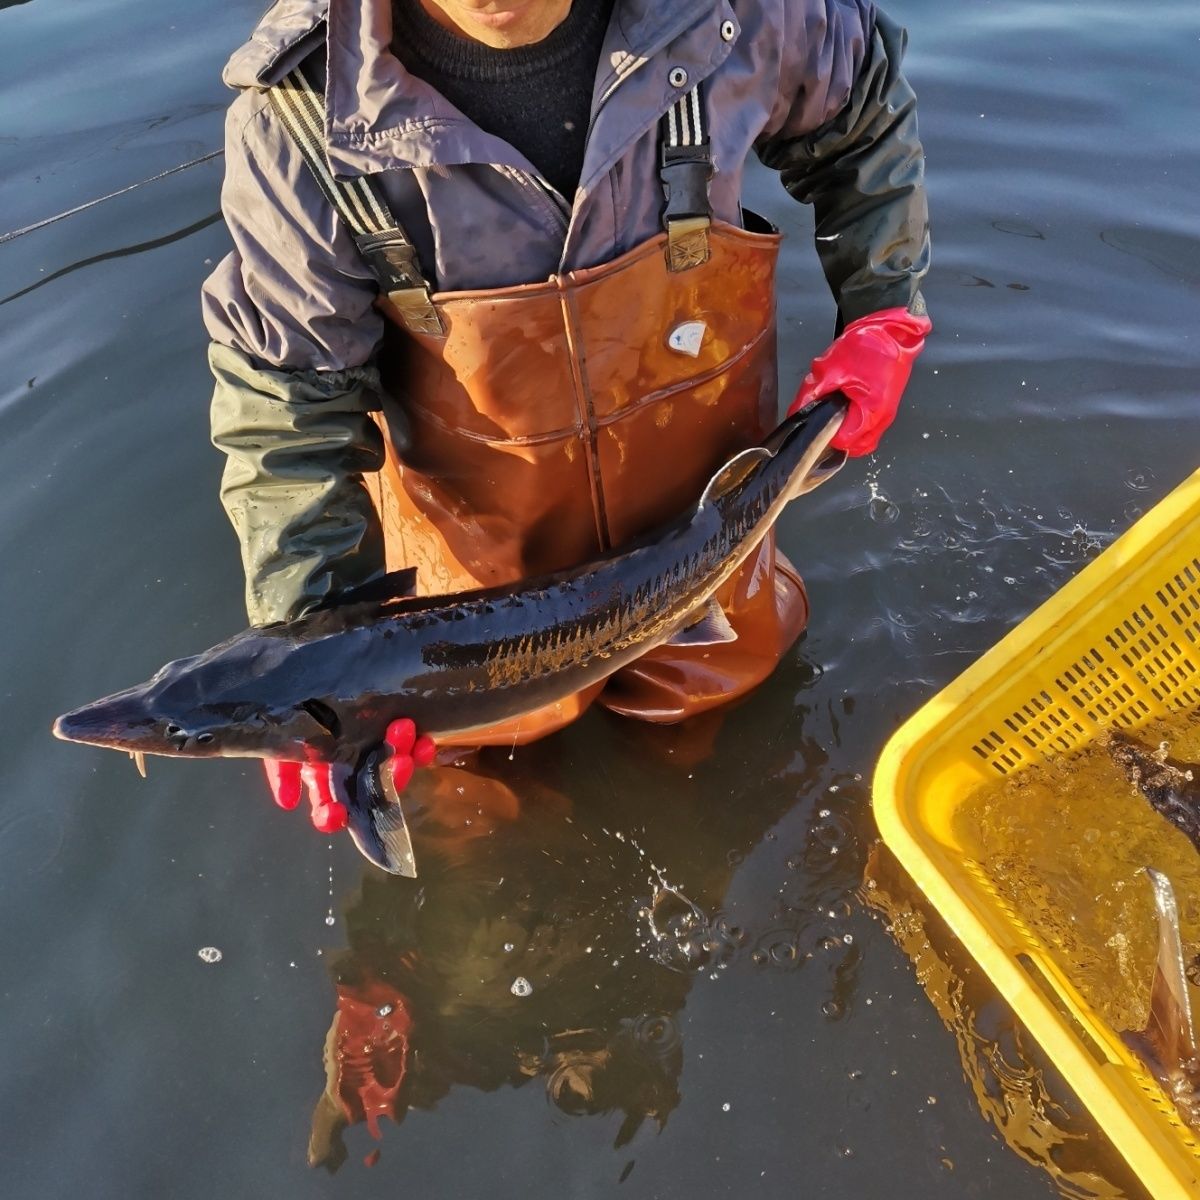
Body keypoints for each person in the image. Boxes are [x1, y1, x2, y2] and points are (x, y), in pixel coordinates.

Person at [202, 0, 931, 833]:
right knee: (475, 831)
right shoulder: (299, 115)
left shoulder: (738, 13)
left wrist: (882, 308)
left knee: (718, 793)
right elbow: (288, 401)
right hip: (463, 626)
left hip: (706, 539)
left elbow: (863, 112)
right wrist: (310, 627)